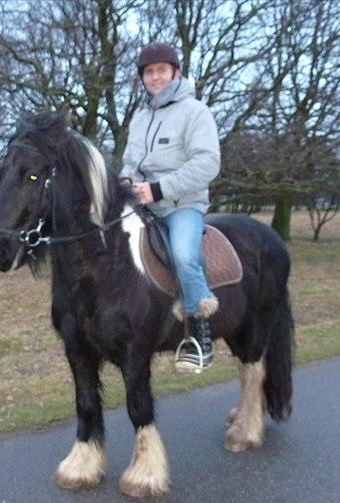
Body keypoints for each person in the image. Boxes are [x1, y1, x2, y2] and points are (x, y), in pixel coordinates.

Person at [120, 42, 221, 372]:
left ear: (176, 73)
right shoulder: (139, 117)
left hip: (182, 205)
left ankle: (200, 338)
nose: (155, 77)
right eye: (149, 72)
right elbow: (131, 163)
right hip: (143, 204)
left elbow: (207, 164)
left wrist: (159, 189)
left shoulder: (195, 112)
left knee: (182, 254)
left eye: (161, 70)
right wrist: (125, 182)